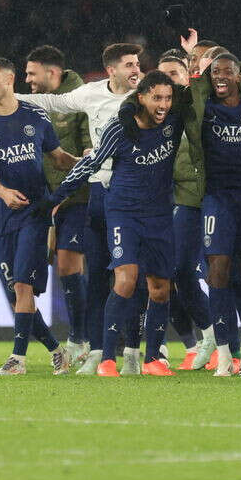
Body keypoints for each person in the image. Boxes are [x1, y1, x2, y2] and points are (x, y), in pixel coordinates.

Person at [45, 70, 195, 377]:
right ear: (141, 98)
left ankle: (153, 359)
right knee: (126, 280)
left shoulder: (174, 121)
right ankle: (107, 361)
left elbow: (196, 92)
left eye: (167, 98)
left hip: (159, 214)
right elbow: (92, 162)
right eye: (156, 97)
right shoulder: (120, 128)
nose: (163, 104)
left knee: (160, 289)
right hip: (123, 212)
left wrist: (192, 61)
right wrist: (56, 197)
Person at [17, 42, 142, 374]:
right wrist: (6, 97)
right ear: (112, 69)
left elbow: (91, 149)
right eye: (129, 63)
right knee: (100, 272)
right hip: (93, 192)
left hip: (119, 193)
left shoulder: (142, 95)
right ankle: (99, 349)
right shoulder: (89, 94)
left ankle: (132, 350)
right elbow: (52, 103)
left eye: (137, 63)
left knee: (127, 274)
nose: (135, 69)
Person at [0, 58, 77, 376]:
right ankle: (57, 351)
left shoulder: (36, 115)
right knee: (14, 293)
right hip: (1, 216)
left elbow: (57, 158)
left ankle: (17, 360)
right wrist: (1, 193)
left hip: (35, 212)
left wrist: (87, 161)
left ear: (9, 78)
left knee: (22, 286)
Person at [193, 52, 241, 376]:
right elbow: (189, 93)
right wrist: (191, 58)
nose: (220, 77)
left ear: (240, 76)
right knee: (218, 271)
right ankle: (225, 355)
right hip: (218, 198)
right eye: (215, 73)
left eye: (227, 72)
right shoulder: (204, 110)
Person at [23, 45, 92, 367]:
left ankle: (79, 339)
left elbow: (89, 156)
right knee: (43, 272)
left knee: (67, 265)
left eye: (32, 74)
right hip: (43, 202)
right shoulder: (36, 105)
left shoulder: (80, 100)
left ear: (52, 73)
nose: (28, 80)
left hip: (77, 200)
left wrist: (61, 195)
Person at [156, 49, 217, 371]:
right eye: (163, 76)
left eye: (175, 75)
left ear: (188, 76)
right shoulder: (151, 117)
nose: (169, 82)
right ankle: (207, 340)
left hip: (211, 198)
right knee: (174, 273)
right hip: (172, 203)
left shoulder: (203, 109)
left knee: (229, 274)